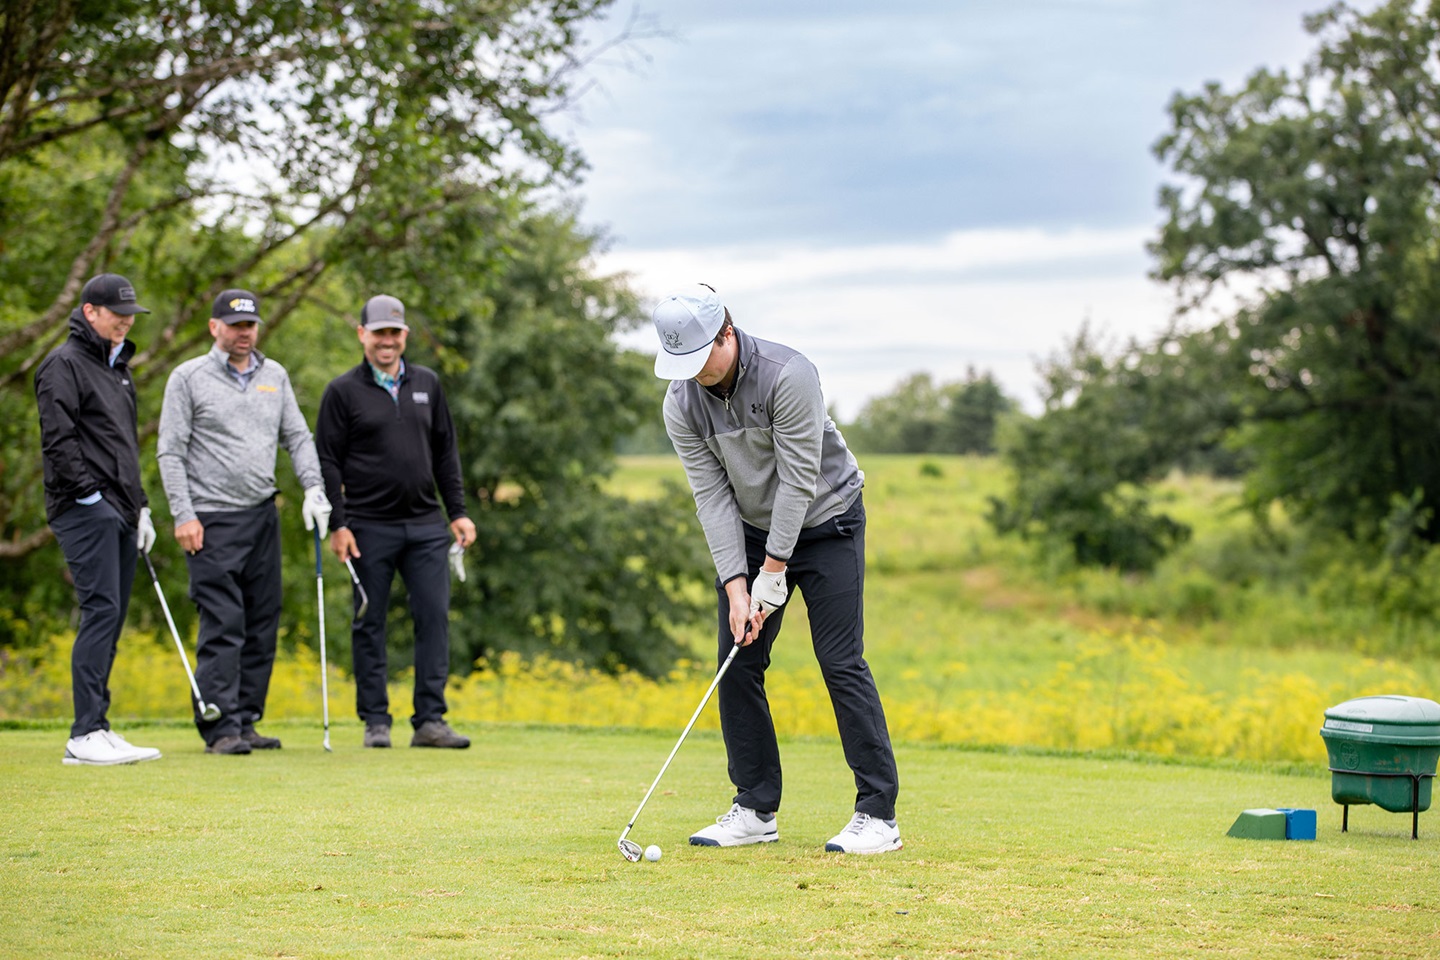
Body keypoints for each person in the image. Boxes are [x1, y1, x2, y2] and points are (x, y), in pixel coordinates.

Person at [651, 283, 902, 854]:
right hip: (750, 531)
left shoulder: (790, 374)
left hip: (828, 520)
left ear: (727, 334)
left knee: (839, 660)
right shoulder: (681, 402)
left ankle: (878, 814)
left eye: (700, 359)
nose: (693, 374)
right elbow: (711, 496)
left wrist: (774, 570)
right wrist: (739, 587)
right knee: (737, 662)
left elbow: (797, 480)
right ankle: (754, 807)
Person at [157, 289, 331, 755]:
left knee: (261, 618)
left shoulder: (274, 375)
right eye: (235, 326)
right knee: (224, 620)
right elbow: (170, 450)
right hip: (210, 519)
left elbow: (296, 435)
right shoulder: (188, 377)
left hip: (261, 515)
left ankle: (247, 718)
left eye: (250, 325)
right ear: (215, 327)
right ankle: (220, 727)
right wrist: (183, 514)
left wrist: (313, 487)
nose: (244, 333)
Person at [315, 294, 476, 749]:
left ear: (404, 336)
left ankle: (430, 720)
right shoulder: (342, 391)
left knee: (434, 618)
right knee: (370, 622)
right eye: (379, 332)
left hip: (425, 523)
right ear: (363, 334)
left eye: (395, 333)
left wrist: (458, 512)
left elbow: (446, 453)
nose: (387, 340)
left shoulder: (427, 383)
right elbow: (328, 461)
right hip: (366, 526)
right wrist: (338, 524)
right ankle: (375, 722)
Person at [34, 272, 163, 766]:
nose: (127, 321)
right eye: (117, 313)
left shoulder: (118, 368)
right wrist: (92, 498)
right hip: (84, 508)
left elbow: (124, 447)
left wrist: (142, 503)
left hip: (122, 509)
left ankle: (99, 726)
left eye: (131, 314)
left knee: (113, 615)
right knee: (101, 610)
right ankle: (83, 733)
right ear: (91, 311)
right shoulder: (63, 365)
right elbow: (59, 442)